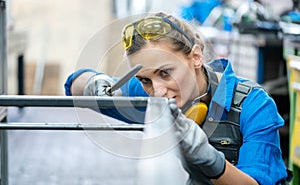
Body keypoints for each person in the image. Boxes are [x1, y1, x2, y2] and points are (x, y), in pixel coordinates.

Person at [64, 12, 289, 184]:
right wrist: (97, 86)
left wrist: (210, 159)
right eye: (145, 80)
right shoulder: (150, 92)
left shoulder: (254, 105)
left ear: (197, 56)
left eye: (166, 73)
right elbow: (75, 83)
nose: (158, 91)